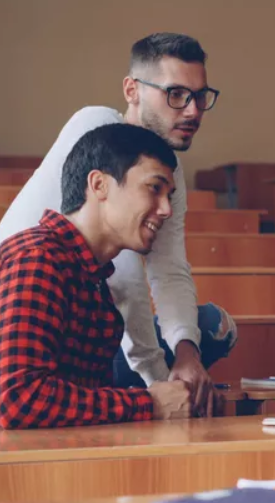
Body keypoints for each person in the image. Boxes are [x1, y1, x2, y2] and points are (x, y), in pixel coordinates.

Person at [0, 33, 236, 417]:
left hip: (87, 298)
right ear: (132, 90)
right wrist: (156, 394)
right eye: (176, 94)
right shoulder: (96, 130)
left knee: (210, 328)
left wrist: (185, 355)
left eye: (200, 97)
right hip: (30, 298)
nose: (193, 111)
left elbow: (170, 270)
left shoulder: (167, 173)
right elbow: (124, 281)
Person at [0, 124, 196, 429]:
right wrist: (149, 403)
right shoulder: (40, 258)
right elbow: (17, 400)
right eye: (154, 188)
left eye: (168, 195)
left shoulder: (92, 277)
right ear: (99, 184)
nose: (167, 210)